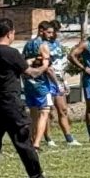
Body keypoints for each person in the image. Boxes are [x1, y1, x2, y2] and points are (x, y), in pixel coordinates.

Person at [0, 18, 49, 178]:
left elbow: (13, 66)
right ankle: (36, 177)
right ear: (9, 33)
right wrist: (45, 64)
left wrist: (27, 62)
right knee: (22, 139)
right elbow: (31, 73)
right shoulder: (11, 52)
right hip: (11, 102)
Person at [42, 20, 80, 147]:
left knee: (63, 109)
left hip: (59, 79)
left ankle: (69, 138)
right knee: (48, 111)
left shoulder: (58, 44)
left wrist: (64, 81)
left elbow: (61, 65)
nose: (57, 34)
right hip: (48, 80)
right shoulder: (43, 45)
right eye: (55, 31)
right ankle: (48, 138)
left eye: (58, 31)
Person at [22, 22, 55, 150]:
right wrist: (57, 84)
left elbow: (23, 62)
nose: (51, 35)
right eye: (49, 32)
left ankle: (30, 140)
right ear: (41, 31)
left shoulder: (28, 44)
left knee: (33, 114)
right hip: (41, 84)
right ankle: (36, 143)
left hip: (28, 83)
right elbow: (48, 68)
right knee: (44, 112)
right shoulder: (43, 45)